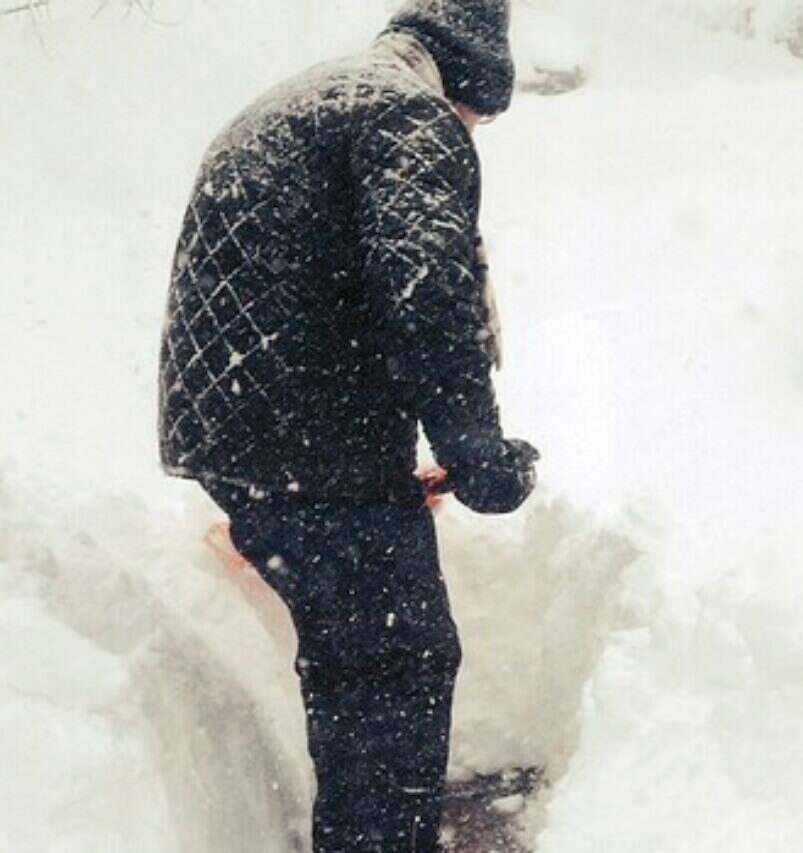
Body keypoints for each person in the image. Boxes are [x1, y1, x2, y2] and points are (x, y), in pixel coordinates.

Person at [157, 2, 537, 849]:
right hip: (311, 446)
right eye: (478, 118)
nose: (471, 131)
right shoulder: (411, 117)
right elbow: (427, 293)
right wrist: (478, 456)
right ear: (471, 81)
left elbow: (327, 281)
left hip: (244, 436)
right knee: (398, 667)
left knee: (360, 666)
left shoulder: (315, 97)